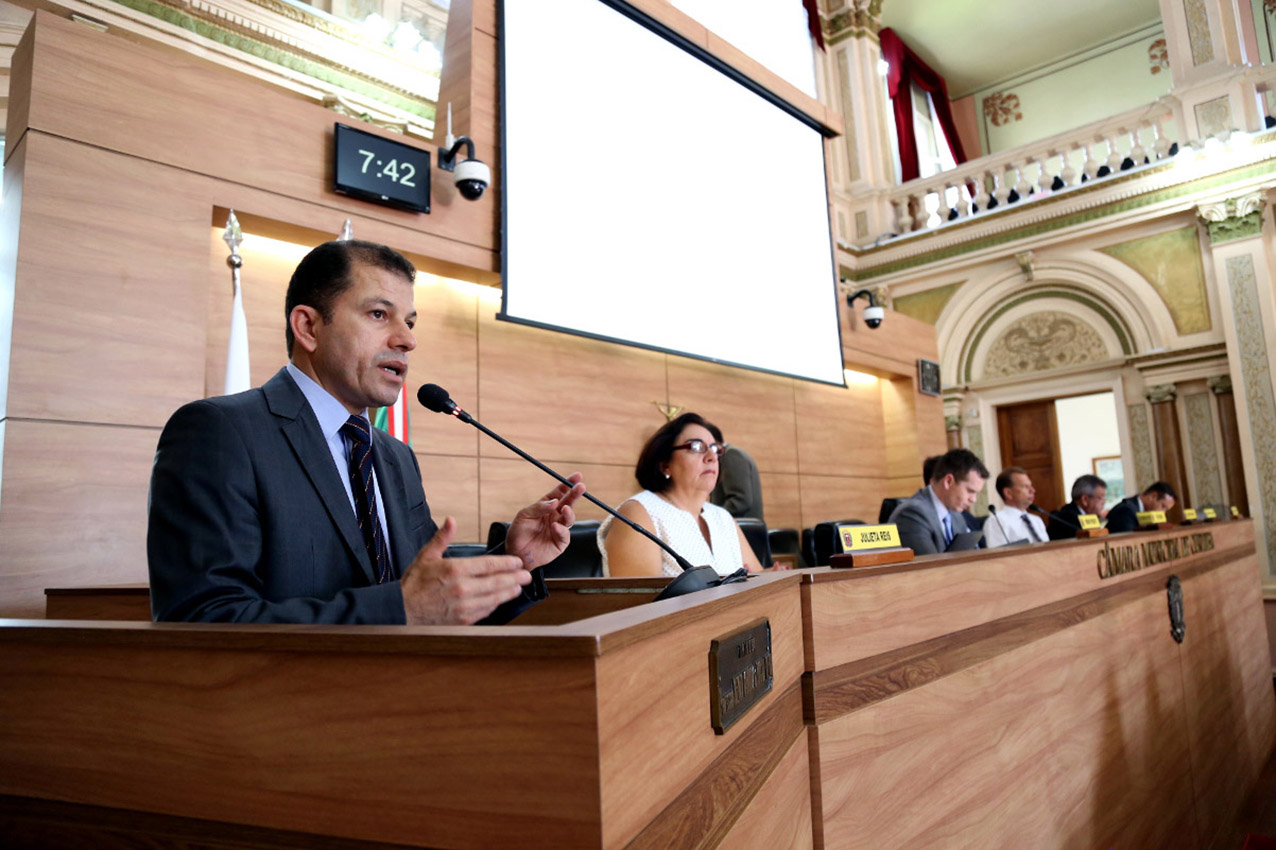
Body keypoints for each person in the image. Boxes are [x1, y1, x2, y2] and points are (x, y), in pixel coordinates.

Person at [148, 240, 585, 625]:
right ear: (308, 327)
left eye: (410, 322)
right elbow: (202, 620)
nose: (407, 340)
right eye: (379, 314)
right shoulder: (221, 432)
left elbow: (430, 598)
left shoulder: (394, 456)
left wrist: (515, 559)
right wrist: (399, 611)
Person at [599, 413, 764, 577]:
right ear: (665, 464)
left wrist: (772, 575)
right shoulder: (639, 513)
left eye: (715, 448)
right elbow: (639, 594)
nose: (712, 457)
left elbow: (759, 578)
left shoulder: (722, 517)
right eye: (696, 447)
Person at [888, 448, 990, 556]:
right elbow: (931, 564)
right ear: (948, 481)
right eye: (970, 491)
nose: (973, 499)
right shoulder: (912, 514)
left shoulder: (957, 516)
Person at [707, 424, 764, 523]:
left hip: (741, 527)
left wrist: (712, 518)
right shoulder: (725, 456)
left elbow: (740, 501)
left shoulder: (731, 455)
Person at [984, 467, 1048, 547]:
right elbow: (997, 553)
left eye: (1030, 486)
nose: (1032, 490)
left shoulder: (1036, 520)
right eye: (1025, 486)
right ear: (1008, 493)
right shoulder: (996, 521)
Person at [1047, 474, 1107, 540]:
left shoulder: (1091, 516)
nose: (1104, 502)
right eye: (1100, 498)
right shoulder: (1067, 518)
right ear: (1085, 500)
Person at [1104, 481, 1177, 533]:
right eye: (1163, 507)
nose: (1163, 513)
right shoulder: (1126, 510)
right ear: (1153, 496)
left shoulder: (1144, 514)